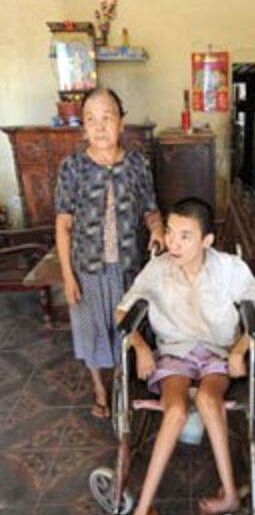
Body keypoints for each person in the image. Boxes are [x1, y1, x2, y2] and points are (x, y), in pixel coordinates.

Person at [116, 197, 255, 515]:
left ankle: (229, 494)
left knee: (207, 398)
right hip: (174, 353)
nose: (173, 243)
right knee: (174, 410)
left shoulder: (230, 268)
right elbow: (122, 311)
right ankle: (141, 513)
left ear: (207, 240)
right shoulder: (157, 269)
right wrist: (140, 346)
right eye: (170, 233)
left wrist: (239, 349)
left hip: (217, 352)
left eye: (185, 236)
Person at [55, 87, 164, 419]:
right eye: (91, 119)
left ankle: (120, 383)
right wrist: (67, 277)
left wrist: (157, 228)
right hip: (87, 270)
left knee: (126, 330)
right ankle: (100, 389)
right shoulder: (72, 167)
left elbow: (151, 209)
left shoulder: (137, 164)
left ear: (121, 123)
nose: (100, 126)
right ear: (83, 127)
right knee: (90, 330)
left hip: (128, 267)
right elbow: (63, 225)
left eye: (107, 117)